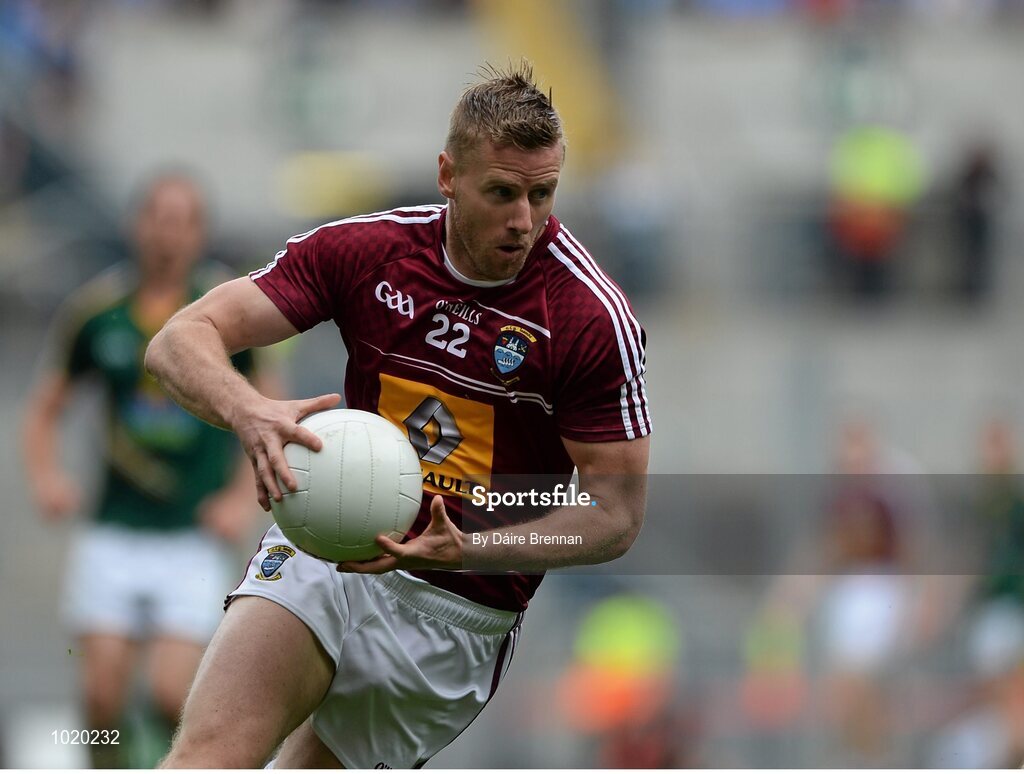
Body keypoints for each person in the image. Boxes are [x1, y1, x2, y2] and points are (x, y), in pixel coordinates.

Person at [144, 61, 652, 769]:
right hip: (329, 543)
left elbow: (615, 513)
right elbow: (177, 341)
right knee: (208, 757)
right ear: (448, 175)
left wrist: (469, 547)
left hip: (456, 615)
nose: (523, 220)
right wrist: (249, 411)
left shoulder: (589, 317)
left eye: (542, 194)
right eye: (502, 193)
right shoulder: (367, 252)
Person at [21, 172, 264, 768]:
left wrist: (238, 500)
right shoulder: (98, 313)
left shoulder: (228, 316)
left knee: (168, 696)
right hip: (113, 530)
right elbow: (45, 408)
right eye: (159, 218)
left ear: (200, 232)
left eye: (182, 221)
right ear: (137, 225)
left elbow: (266, 411)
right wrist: (47, 477)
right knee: (100, 701)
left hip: (191, 538)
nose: (168, 234)